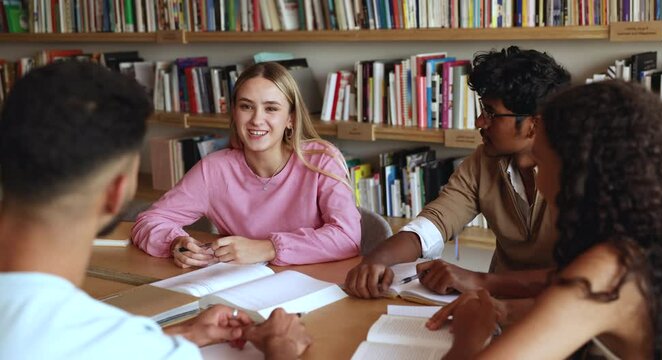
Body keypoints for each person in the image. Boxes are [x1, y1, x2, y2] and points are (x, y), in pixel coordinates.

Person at [0, 61, 311, 360]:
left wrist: (185, 334)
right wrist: (281, 346)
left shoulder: (86, 338)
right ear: (116, 192)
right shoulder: (96, 334)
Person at [428, 80, 662, 359]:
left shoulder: (607, 271)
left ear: (575, 178)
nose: (539, 179)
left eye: (540, 161)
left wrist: (469, 336)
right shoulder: (644, 243)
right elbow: (575, 311)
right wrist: (503, 310)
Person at [345, 46, 571, 299]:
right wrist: (375, 261)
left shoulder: (583, 173)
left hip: (565, 311)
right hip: (494, 304)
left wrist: (479, 280)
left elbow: (582, 277)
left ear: (534, 125)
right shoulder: (483, 161)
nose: (478, 122)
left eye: (491, 114)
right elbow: (432, 224)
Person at [132, 62, 361, 268]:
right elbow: (149, 221)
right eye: (246, 106)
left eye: (271, 108)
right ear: (234, 112)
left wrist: (268, 248)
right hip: (243, 286)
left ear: (291, 118)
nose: (256, 120)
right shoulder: (215, 169)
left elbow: (348, 238)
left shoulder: (322, 159)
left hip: (317, 285)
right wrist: (175, 243)